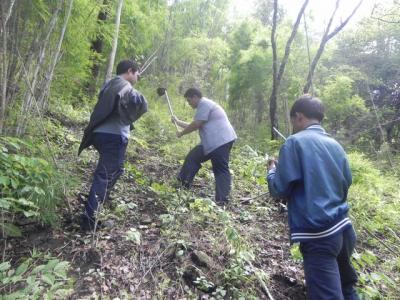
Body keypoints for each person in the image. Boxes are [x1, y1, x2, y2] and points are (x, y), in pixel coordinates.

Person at [266, 95, 358, 299]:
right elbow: (346, 182)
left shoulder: (294, 143)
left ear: (298, 116)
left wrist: (272, 171)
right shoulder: (336, 145)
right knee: (346, 288)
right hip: (344, 228)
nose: (293, 126)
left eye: (292, 121)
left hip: (319, 235)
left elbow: (279, 190)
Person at [78, 60, 148, 231]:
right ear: (130, 71)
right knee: (105, 175)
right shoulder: (124, 85)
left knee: (116, 169)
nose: (138, 77)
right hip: (114, 136)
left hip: (100, 134)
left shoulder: (109, 85)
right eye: (137, 73)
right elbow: (139, 103)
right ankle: (90, 219)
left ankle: (97, 202)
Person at [172, 88, 237, 206]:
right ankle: (183, 184)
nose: (189, 103)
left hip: (221, 141)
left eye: (189, 100)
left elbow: (196, 125)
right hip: (212, 143)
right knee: (193, 157)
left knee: (220, 169)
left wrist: (181, 133)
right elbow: (195, 123)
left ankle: (222, 200)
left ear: (195, 97)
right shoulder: (204, 107)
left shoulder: (204, 104)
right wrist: (177, 121)